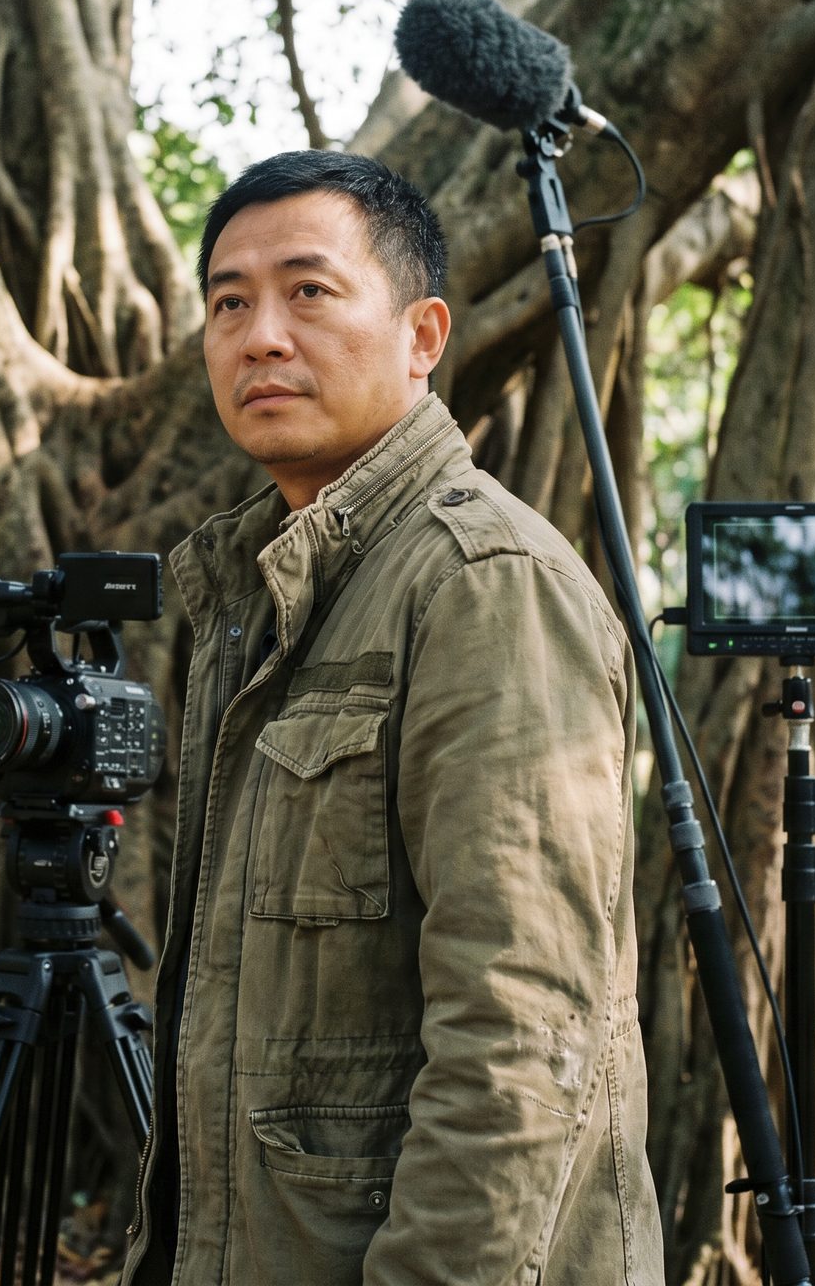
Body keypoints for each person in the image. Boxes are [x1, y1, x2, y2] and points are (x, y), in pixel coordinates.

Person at [122, 150, 664, 1286]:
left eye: (308, 291)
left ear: (422, 336)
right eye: (229, 302)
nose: (260, 335)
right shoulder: (261, 594)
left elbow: (523, 1033)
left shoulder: (481, 582)